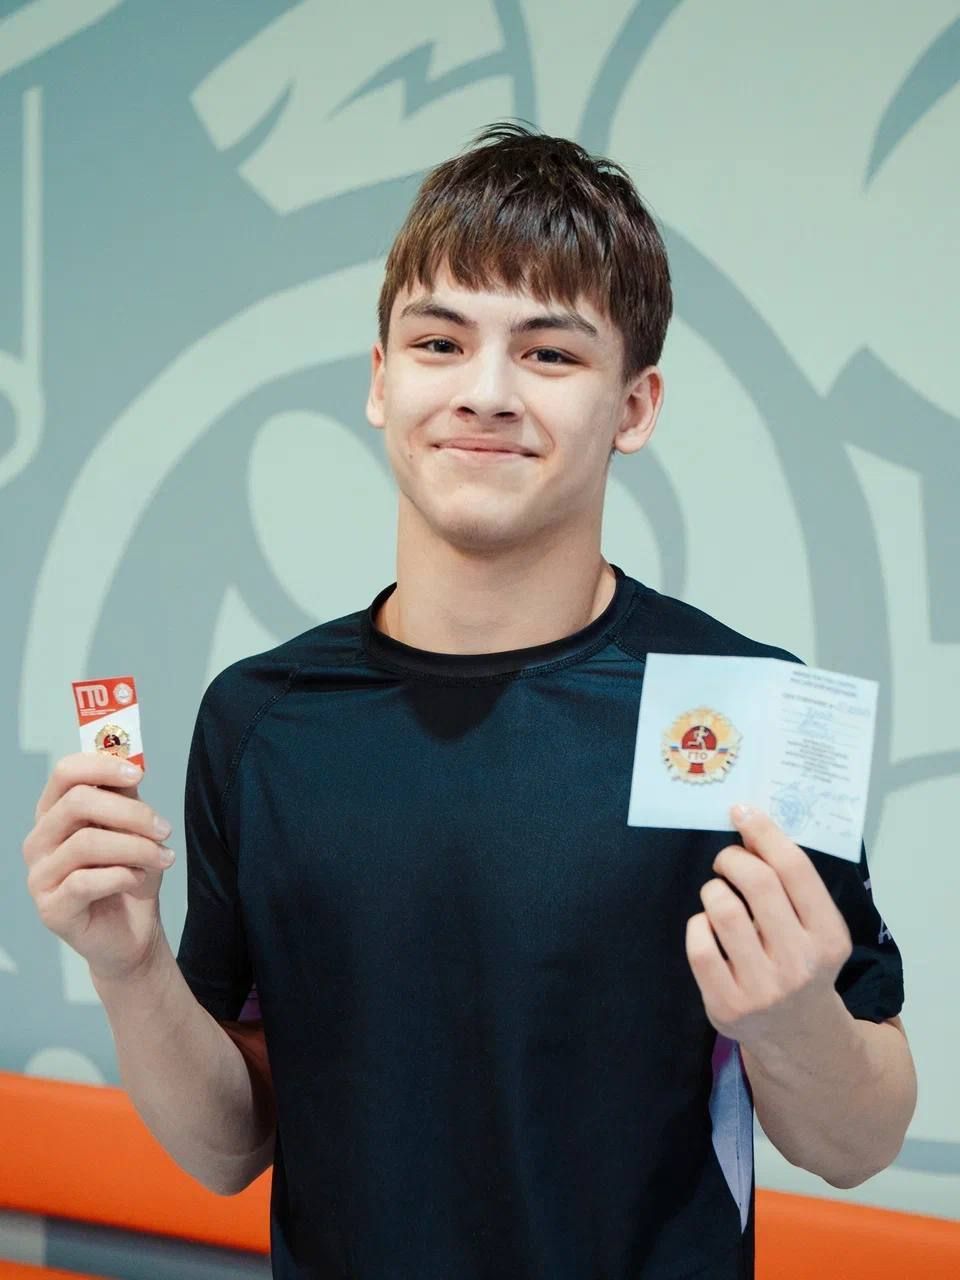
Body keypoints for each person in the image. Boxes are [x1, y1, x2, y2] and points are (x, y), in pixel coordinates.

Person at [23, 122, 916, 1279]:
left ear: (635, 406)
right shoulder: (262, 720)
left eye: (549, 353)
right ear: (381, 380)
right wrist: (129, 966)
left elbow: (857, 1140)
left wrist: (793, 1020)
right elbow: (230, 1146)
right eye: (440, 342)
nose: (486, 392)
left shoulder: (755, 710)